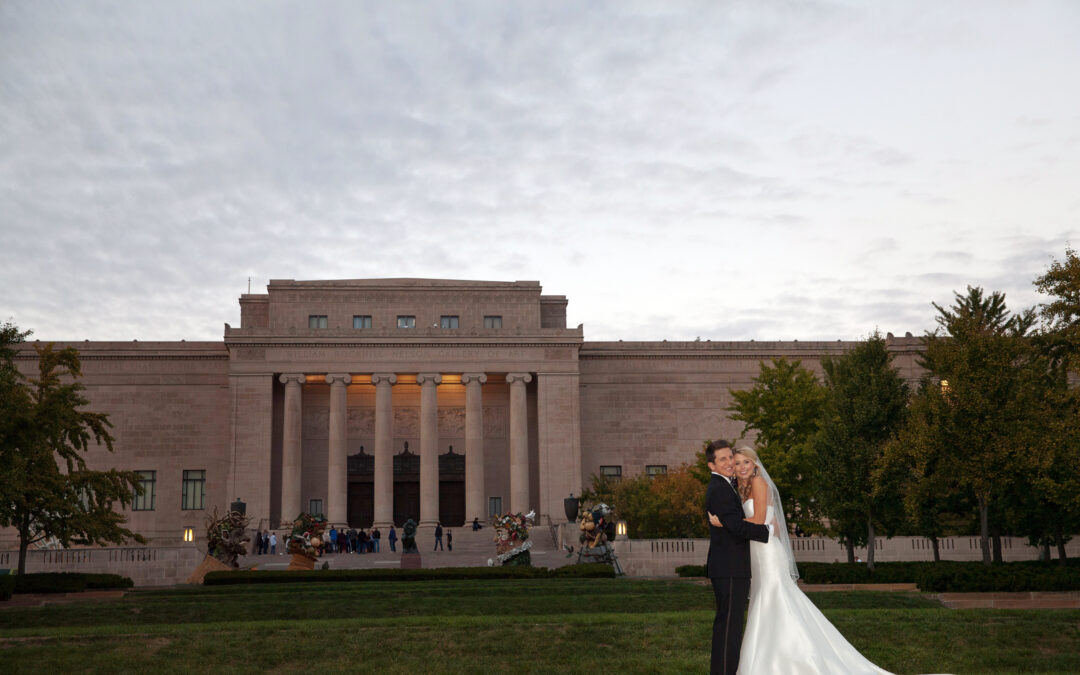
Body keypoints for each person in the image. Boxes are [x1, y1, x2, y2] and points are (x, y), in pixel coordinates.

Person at [711, 446, 894, 675]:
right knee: (763, 599)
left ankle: (790, 657)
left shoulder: (758, 483)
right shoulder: (742, 489)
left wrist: (725, 522)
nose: (741, 467)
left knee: (774, 598)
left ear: (755, 464)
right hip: (756, 552)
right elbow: (773, 524)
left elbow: (758, 519)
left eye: (745, 462)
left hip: (767, 554)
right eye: (737, 464)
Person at [703, 440, 771, 675]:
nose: (730, 462)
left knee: (729, 627)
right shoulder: (719, 489)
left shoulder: (727, 486)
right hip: (730, 568)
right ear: (712, 465)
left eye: (730, 457)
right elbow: (736, 527)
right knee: (729, 628)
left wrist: (726, 523)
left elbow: (731, 523)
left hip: (730, 567)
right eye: (723, 459)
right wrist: (767, 532)